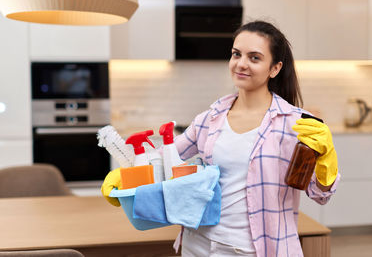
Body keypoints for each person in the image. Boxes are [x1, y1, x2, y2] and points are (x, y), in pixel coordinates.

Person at [102, 20, 340, 257]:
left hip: (251, 250)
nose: (241, 64)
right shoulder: (210, 118)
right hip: (198, 244)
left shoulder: (296, 124)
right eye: (236, 54)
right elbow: (165, 160)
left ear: (274, 68)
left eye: (254, 58)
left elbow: (320, 195)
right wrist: (126, 177)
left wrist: (326, 158)